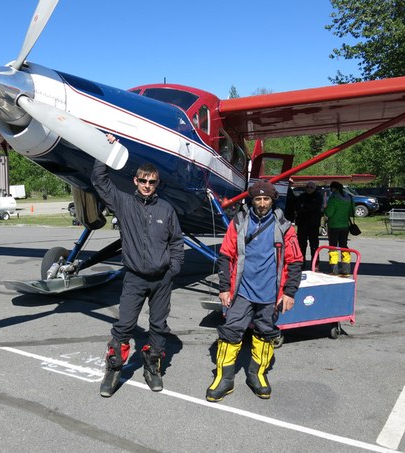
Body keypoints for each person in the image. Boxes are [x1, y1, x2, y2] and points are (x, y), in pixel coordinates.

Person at [92, 135, 184, 397]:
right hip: (134, 278)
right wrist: (105, 149)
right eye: (142, 181)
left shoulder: (166, 210)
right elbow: (100, 181)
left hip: (162, 279)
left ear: (157, 184)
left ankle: (152, 367)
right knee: (124, 326)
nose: (146, 185)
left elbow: (177, 242)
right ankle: (113, 369)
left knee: (158, 326)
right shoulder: (124, 203)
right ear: (136, 181)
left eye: (151, 182)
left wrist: (173, 268)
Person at [206, 180, 302, 402]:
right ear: (252, 200)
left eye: (266, 198)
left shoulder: (285, 227)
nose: (261, 203)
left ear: (272, 200)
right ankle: (224, 379)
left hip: (271, 294)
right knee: (230, 332)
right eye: (257, 199)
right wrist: (224, 288)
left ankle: (256, 375)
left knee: (265, 333)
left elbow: (295, 260)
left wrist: (289, 292)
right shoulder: (239, 222)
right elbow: (225, 256)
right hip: (242, 291)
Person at [324, 181, 355, 274]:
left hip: (333, 226)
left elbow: (329, 213)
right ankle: (346, 268)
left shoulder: (333, 198)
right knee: (344, 246)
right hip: (345, 226)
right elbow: (351, 212)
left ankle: (334, 269)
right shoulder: (349, 197)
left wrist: (325, 209)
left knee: (333, 247)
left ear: (333, 188)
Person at [295, 181, 323, 270]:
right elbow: (297, 207)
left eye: (311, 187)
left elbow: (314, 207)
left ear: (315, 188)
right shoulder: (301, 196)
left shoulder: (318, 196)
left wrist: (304, 207)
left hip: (313, 224)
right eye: (307, 187)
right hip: (302, 224)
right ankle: (301, 264)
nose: (309, 189)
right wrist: (304, 208)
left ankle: (315, 264)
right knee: (301, 245)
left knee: (314, 245)